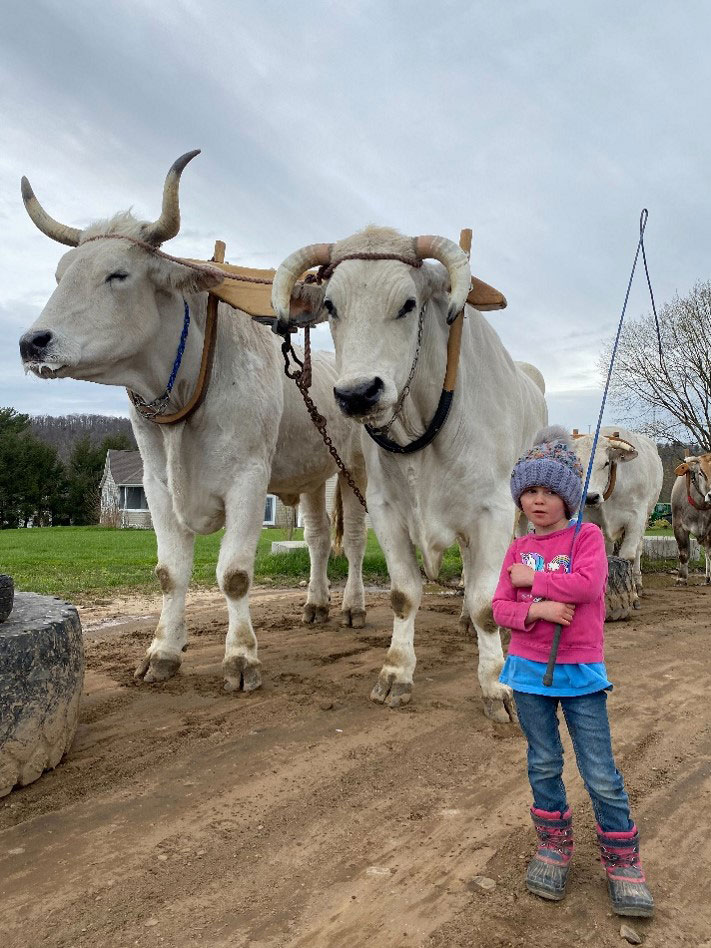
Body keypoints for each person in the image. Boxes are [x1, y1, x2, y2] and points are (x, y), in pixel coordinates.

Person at [492, 425, 653, 918]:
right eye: (530, 491)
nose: (538, 502)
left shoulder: (587, 535)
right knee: (543, 762)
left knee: (600, 772)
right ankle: (554, 846)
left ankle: (623, 861)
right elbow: (500, 606)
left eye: (550, 491)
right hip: (526, 674)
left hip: (581, 671)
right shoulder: (516, 549)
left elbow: (587, 586)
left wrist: (537, 582)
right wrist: (535, 611)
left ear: (568, 495)